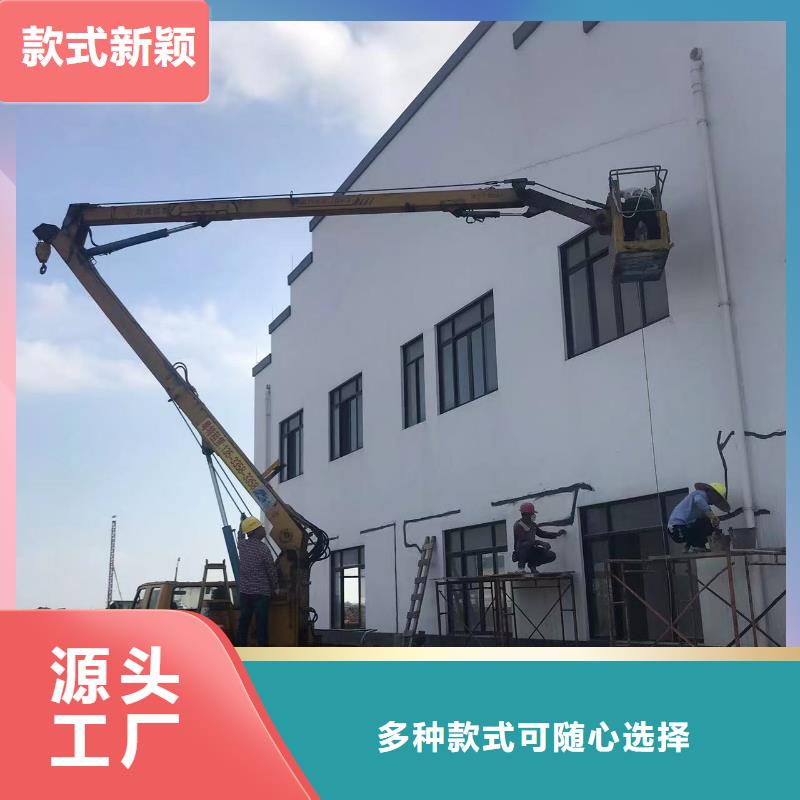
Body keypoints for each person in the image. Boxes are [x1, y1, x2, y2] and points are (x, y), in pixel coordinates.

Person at [235, 516, 280, 646]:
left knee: (243, 624)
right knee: (262, 627)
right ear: (255, 531)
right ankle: (262, 653)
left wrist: (241, 523)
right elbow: (271, 570)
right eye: (260, 527)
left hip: (245, 593)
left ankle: (240, 650)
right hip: (261, 594)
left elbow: (240, 535)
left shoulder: (242, 545)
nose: (263, 529)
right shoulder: (263, 549)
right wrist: (276, 587)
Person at [667, 482, 730, 552]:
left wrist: (714, 522)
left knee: (705, 522)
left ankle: (689, 546)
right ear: (712, 493)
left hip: (676, 530)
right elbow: (699, 500)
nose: (716, 501)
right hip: (677, 529)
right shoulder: (700, 494)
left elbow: (701, 519)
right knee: (707, 523)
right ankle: (697, 545)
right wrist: (712, 516)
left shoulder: (699, 503)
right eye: (718, 498)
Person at [512, 502, 567, 574]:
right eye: (532, 513)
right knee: (525, 545)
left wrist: (557, 534)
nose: (533, 515)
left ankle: (532, 565)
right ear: (526, 514)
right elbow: (525, 541)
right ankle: (521, 568)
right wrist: (540, 543)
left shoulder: (532, 525)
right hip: (521, 552)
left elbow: (542, 533)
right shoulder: (518, 525)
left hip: (531, 550)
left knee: (551, 555)